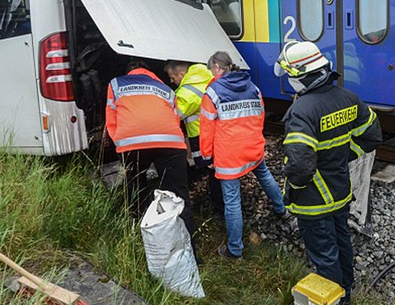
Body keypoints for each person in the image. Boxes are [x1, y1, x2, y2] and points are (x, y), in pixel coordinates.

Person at [273, 41, 383, 303]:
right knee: (341, 241)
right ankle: (347, 288)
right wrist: (345, 155)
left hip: (313, 202)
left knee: (325, 255)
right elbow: (373, 136)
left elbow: (300, 166)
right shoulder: (348, 98)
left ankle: (336, 300)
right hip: (340, 191)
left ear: (300, 76)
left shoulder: (300, 111)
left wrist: (294, 191)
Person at [200, 51, 287, 259]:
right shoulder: (253, 87)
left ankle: (235, 249)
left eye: (211, 69)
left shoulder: (212, 92)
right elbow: (260, 117)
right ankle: (281, 209)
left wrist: (207, 156)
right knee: (265, 176)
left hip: (229, 156)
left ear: (218, 68)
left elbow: (206, 129)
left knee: (232, 201)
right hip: (253, 147)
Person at [105, 59, 197, 249]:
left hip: (132, 143)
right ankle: (191, 250)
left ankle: (140, 239)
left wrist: (120, 145)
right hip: (170, 142)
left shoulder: (115, 84)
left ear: (129, 72)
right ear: (150, 73)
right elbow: (174, 117)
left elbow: (111, 120)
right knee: (179, 195)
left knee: (136, 187)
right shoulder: (165, 89)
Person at [165, 60, 224, 218]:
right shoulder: (206, 74)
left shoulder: (186, 92)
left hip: (203, 135)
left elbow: (174, 115)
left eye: (172, 77)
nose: (171, 81)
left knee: (213, 171)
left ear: (181, 74)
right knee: (220, 169)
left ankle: (220, 210)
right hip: (220, 130)